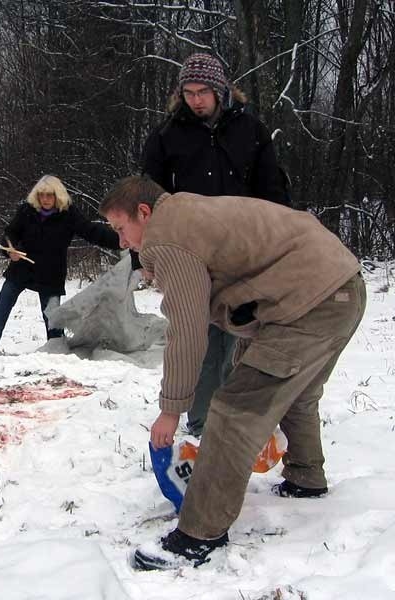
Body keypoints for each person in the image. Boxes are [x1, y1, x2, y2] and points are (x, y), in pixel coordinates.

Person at [99, 175, 365, 570]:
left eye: (121, 228)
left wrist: (172, 408)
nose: (122, 242)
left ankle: (198, 535)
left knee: (233, 411)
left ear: (144, 213)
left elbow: (187, 329)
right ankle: (306, 478)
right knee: (296, 392)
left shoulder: (167, 235)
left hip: (309, 304)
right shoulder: (190, 212)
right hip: (341, 288)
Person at [141, 53, 291, 437]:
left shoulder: (250, 130)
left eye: (203, 91)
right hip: (192, 253)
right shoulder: (166, 136)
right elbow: (147, 198)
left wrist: (278, 243)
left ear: (221, 90)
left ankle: (243, 414)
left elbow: (272, 191)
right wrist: (144, 252)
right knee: (202, 335)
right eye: (188, 92)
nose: (196, 100)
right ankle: (203, 421)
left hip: (245, 251)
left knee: (246, 334)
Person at [0, 175, 120, 354]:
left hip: (51, 272)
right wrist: (9, 250)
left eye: (49, 195)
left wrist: (122, 240)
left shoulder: (68, 214)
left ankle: (56, 345)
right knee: (3, 301)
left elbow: (91, 231)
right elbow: (10, 233)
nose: (45, 199)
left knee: (52, 315)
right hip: (22, 268)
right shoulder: (27, 211)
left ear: (58, 195)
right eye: (41, 195)